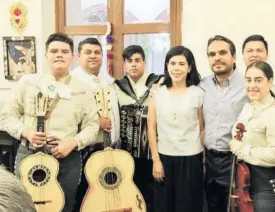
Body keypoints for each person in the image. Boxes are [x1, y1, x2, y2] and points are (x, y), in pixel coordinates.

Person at [0, 32, 99, 212]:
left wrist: (73, 142)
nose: (59, 55)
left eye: (64, 51)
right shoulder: (28, 83)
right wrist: (26, 132)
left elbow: (92, 125)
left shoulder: (84, 90)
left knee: (65, 206)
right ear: (46, 55)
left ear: (73, 57)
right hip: (29, 155)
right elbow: (6, 116)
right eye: (54, 51)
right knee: (25, 206)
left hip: (67, 159)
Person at [147, 45, 204, 212]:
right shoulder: (157, 92)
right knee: (164, 205)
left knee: (188, 205)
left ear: (189, 67)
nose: (176, 68)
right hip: (164, 157)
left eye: (181, 63)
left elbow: (202, 128)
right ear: (166, 66)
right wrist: (156, 160)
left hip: (191, 157)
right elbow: (151, 128)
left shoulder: (198, 93)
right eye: (172, 63)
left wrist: (204, 160)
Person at [229, 60, 275, 211]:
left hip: (266, 188)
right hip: (246, 184)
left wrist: (243, 150)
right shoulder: (247, 108)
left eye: (258, 80)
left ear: (270, 83)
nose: (252, 85)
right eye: (248, 80)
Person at [70, 37, 120, 211]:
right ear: (78, 56)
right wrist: (96, 122)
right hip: (84, 151)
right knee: (85, 199)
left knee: (105, 200)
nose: (93, 56)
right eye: (88, 52)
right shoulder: (71, 81)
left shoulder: (107, 80)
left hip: (108, 149)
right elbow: (66, 116)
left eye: (97, 52)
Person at [199, 35, 248, 212]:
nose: (217, 57)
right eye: (212, 54)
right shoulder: (202, 85)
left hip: (235, 161)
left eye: (222, 52)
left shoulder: (247, 84)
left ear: (234, 57)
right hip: (208, 159)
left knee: (235, 207)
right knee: (212, 206)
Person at [113, 45, 163, 212]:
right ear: (124, 65)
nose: (133, 64)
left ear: (144, 62)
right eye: (129, 61)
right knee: (130, 192)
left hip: (155, 151)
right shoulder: (116, 87)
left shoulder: (159, 83)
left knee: (155, 193)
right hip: (127, 152)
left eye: (137, 60)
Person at [242, 34, 275, 102]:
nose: (254, 55)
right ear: (243, 55)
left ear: (267, 55)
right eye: (250, 51)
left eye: (259, 50)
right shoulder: (240, 80)